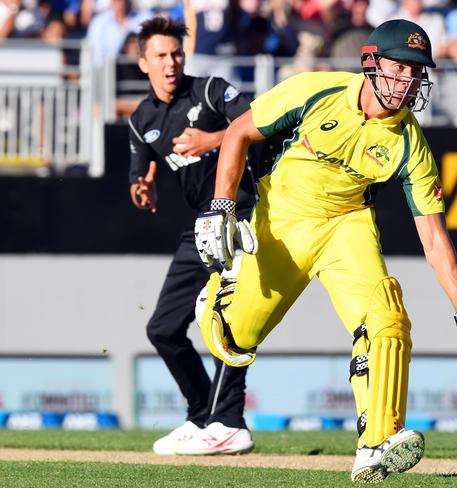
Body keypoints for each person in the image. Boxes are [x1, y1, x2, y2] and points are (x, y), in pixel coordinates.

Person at [193, 18, 457, 482]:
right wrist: (221, 208)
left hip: (347, 225)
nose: (407, 81)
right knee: (229, 339)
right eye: (398, 68)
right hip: (282, 217)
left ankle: (377, 442)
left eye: (416, 72)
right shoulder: (316, 90)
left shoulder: (410, 144)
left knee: (386, 317)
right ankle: (223, 288)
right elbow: (238, 133)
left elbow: (434, 238)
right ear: (372, 63)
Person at [128, 16, 256, 456]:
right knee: (163, 328)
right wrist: (141, 191)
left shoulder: (211, 91)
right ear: (143, 62)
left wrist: (214, 139)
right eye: (160, 55)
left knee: (229, 319)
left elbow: (264, 125)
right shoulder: (141, 118)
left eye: (177, 53)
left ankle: (230, 421)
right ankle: (202, 414)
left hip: (242, 215)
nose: (171, 62)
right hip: (203, 225)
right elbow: (139, 173)